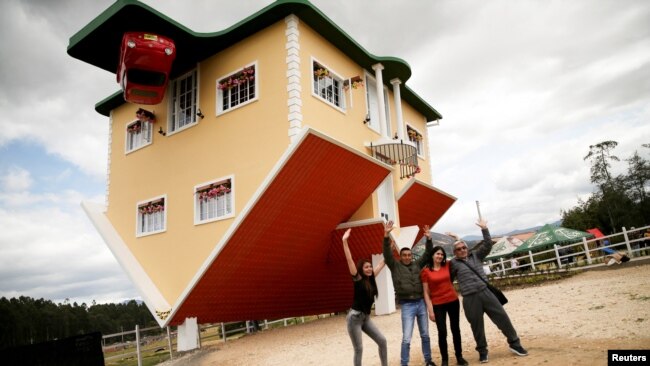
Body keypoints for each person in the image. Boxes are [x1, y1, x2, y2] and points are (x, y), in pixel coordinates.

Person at [450, 219, 528, 363]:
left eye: (464, 248)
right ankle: (483, 351)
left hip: (486, 292)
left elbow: (487, 244)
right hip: (469, 298)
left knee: (502, 318)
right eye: (459, 249)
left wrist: (484, 229)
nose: (462, 250)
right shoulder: (453, 264)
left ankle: (515, 344)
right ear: (454, 252)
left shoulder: (476, 256)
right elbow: (446, 279)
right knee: (477, 327)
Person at [383, 220, 436, 366]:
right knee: (406, 337)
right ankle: (404, 363)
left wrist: (429, 239)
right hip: (407, 305)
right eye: (404, 255)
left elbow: (427, 254)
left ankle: (428, 361)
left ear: (411, 256)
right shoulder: (394, 266)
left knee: (425, 335)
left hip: (421, 303)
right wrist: (386, 236)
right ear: (400, 256)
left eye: (409, 255)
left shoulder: (418, 264)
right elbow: (387, 254)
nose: (407, 257)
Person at [343, 228, 388, 366]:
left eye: (370, 267)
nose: (369, 269)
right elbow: (349, 259)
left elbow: (382, 263)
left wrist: (388, 248)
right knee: (359, 349)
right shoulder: (357, 279)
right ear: (361, 269)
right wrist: (344, 241)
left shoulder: (371, 278)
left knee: (382, 341)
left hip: (366, 318)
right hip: (354, 318)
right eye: (366, 267)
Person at [421, 246, 469, 366]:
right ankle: (445, 360)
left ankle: (459, 356)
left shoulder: (447, 265)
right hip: (438, 304)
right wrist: (430, 311)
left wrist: (457, 239)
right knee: (442, 332)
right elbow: (426, 293)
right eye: (437, 254)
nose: (440, 256)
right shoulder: (426, 271)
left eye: (442, 254)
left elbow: (460, 255)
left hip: (453, 301)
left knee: (455, 329)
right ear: (432, 255)